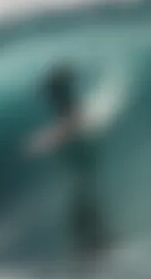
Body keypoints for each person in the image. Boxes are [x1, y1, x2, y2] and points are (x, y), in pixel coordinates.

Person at [26, 64, 109, 267]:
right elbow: (71, 126)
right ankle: (97, 256)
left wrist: (46, 142)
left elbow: (71, 127)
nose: (49, 100)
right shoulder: (71, 112)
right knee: (83, 219)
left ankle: (98, 257)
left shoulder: (71, 114)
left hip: (83, 176)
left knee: (84, 218)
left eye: (51, 94)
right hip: (82, 175)